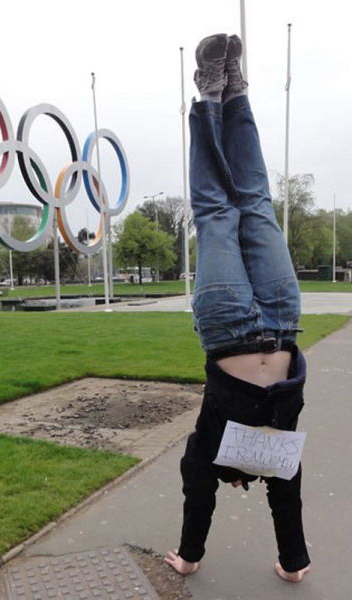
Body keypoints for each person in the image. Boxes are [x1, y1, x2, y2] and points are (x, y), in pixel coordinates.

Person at [164, 33, 311, 583]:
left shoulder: (205, 450)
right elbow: (286, 496)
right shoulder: (277, 459)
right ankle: (237, 93)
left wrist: (187, 559)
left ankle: (209, 95)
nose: (239, 480)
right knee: (254, 201)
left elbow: (197, 493)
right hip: (280, 317)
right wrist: (293, 565)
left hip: (228, 326)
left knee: (216, 211)